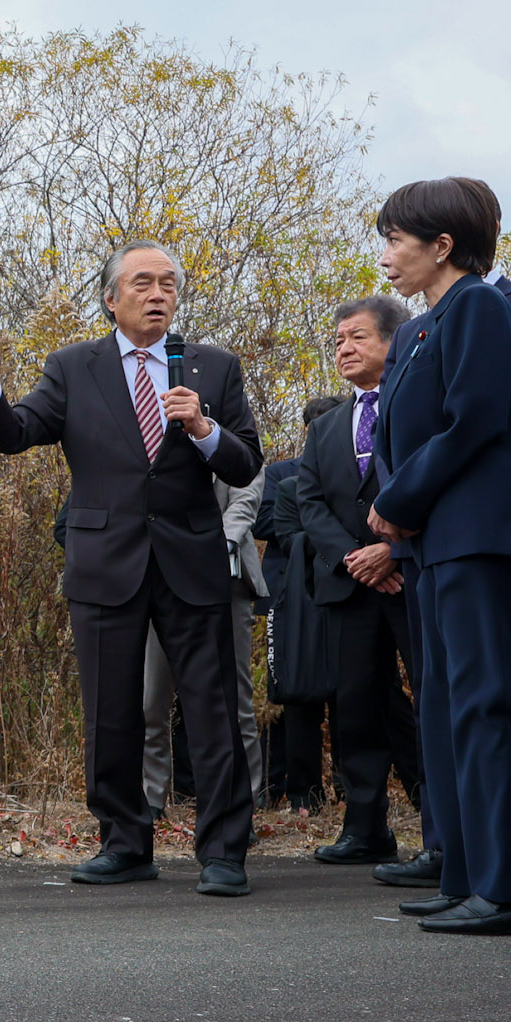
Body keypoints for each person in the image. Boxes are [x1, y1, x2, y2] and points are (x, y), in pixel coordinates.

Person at [0, 241, 263, 896]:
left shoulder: (212, 368)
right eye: (143, 283)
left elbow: (247, 462)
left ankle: (224, 852)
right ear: (112, 298)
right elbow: (18, 434)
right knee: (112, 711)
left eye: (168, 283)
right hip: (106, 561)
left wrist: (202, 429)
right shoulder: (73, 367)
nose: (158, 294)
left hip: (191, 560)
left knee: (213, 708)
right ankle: (124, 840)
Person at [366, 178, 511, 936]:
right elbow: (400, 435)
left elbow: (472, 420)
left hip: (483, 536)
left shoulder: (477, 303)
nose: (385, 256)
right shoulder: (421, 327)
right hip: (439, 544)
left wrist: (398, 501)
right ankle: (468, 873)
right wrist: (402, 505)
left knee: (491, 707)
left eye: (395, 240)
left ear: (443, 245)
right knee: (448, 710)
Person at [297, 295, 425, 865]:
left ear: (393, 342)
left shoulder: (419, 406)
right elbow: (310, 500)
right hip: (350, 588)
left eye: (358, 338)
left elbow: (434, 481)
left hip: (413, 578)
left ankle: (446, 829)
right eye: (339, 340)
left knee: (434, 698)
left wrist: (392, 551)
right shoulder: (325, 426)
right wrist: (355, 556)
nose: (345, 349)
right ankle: (366, 827)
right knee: (356, 708)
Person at [140, 471, 265, 815]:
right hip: (161, 579)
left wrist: (209, 548)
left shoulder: (235, 435)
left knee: (235, 703)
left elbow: (245, 501)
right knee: (151, 700)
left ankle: (241, 803)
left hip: (226, 579)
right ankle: (151, 799)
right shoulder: (155, 439)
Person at [254, 400, 339, 808]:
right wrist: (319, 524)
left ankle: (342, 788)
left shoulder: (350, 471)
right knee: (288, 693)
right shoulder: (280, 474)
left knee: (346, 693)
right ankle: (282, 788)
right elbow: (265, 522)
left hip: (339, 589)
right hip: (286, 596)